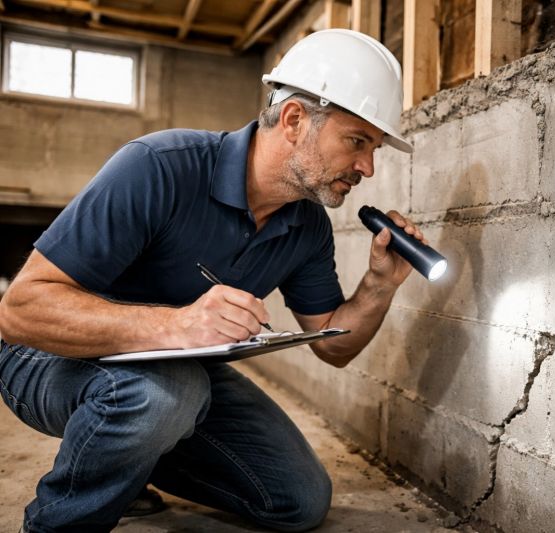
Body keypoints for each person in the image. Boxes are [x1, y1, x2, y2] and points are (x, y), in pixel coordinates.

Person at [0, 29, 424, 533]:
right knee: (164, 396)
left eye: (374, 148)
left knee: (298, 499)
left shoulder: (308, 226)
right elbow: (20, 311)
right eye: (357, 141)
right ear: (294, 120)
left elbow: (334, 344)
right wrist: (179, 326)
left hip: (181, 376)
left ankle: (130, 459)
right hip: (50, 357)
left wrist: (380, 285)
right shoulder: (158, 167)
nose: (367, 168)